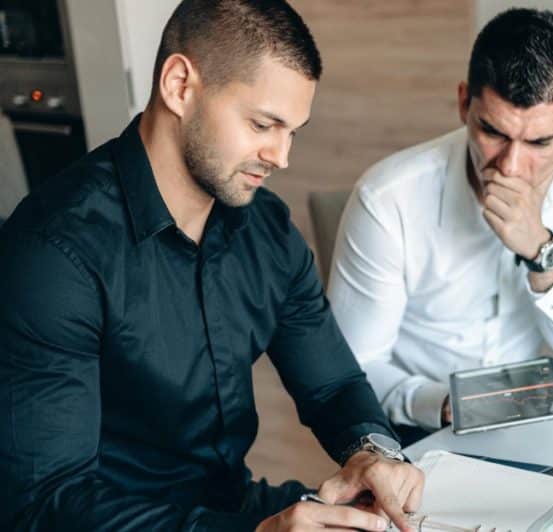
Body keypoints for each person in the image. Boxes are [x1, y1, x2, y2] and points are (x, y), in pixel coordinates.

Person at [0, 1, 423, 530]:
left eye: (293, 131)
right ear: (179, 85)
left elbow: (333, 385)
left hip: (231, 509)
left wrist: (371, 452)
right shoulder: (54, 253)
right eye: (264, 124)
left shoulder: (267, 231)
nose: (282, 155)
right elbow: (44, 504)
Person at [327, 8, 553, 437]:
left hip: (545, 417)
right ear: (463, 104)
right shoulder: (387, 200)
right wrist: (445, 405)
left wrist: (543, 254)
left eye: (540, 142)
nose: (510, 166)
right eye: (493, 132)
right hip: (423, 425)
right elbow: (348, 375)